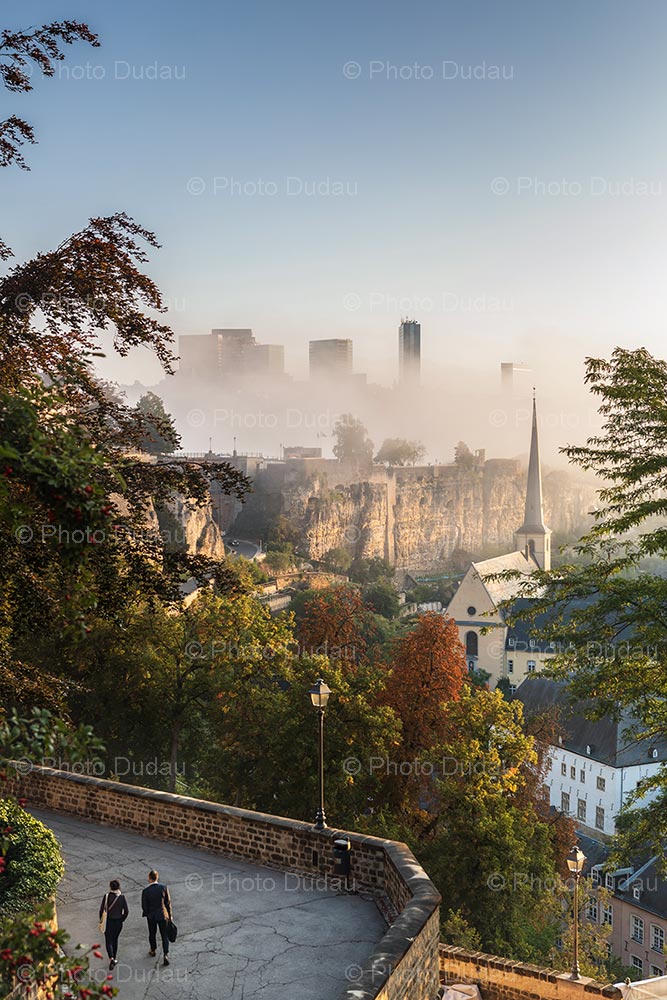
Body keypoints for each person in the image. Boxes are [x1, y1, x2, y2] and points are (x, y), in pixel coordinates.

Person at [141, 869, 172, 966]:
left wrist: (148, 913)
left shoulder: (146, 891)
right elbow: (168, 903)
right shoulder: (163, 887)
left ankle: (153, 949)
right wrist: (170, 915)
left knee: (152, 933)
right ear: (157, 877)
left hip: (151, 915)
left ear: (149, 878)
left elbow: (144, 905)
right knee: (164, 935)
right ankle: (166, 954)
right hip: (162, 915)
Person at [99, 879, 129, 971]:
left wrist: (101, 920)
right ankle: (114, 958)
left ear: (110, 887)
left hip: (108, 922)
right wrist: (122, 919)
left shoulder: (106, 896)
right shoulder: (122, 897)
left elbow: (101, 910)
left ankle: (111, 958)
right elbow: (126, 911)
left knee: (108, 941)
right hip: (118, 922)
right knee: (115, 940)